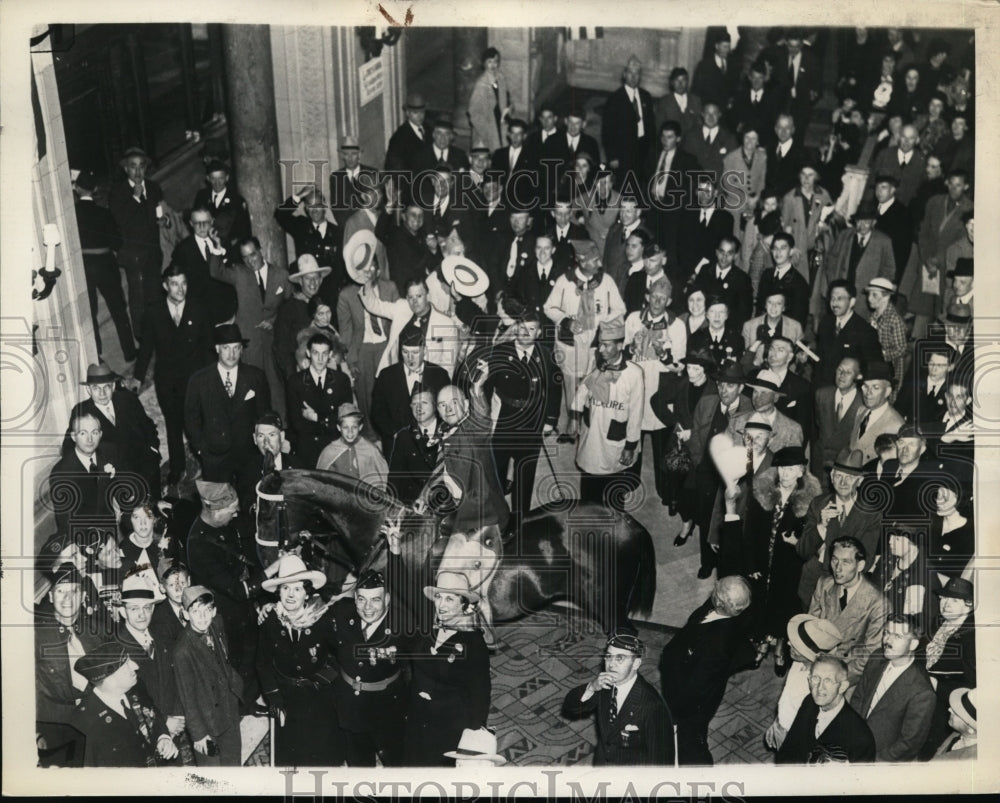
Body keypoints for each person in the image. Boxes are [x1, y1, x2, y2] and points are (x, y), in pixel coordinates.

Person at [256, 554, 345, 766]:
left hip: (318, 699)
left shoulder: (322, 618)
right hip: (285, 698)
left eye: (297, 589)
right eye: (285, 588)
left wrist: (324, 683)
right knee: (291, 759)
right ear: (278, 592)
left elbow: (340, 656)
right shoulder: (270, 620)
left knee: (322, 757)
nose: (290, 595)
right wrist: (274, 697)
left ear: (307, 594)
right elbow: (262, 662)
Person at [186, 480, 267, 706]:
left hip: (243, 608)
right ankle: (241, 707)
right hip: (225, 615)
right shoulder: (199, 544)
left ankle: (251, 697)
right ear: (215, 511)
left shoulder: (222, 525)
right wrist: (271, 572)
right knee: (236, 663)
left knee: (251, 655)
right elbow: (236, 590)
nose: (236, 514)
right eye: (232, 510)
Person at [132, 263, 214, 486]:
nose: (180, 289)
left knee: (198, 423)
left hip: (195, 379)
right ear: (165, 285)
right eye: (175, 284)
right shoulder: (154, 312)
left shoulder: (199, 308)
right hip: (167, 381)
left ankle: (207, 463)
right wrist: (138, 377)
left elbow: (208, 347)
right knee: (173, 424)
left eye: (184, 283)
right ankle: (177, 468)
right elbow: (146, 348)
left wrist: (213, 377)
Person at [659, 575, 754, 765]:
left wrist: (677, 711)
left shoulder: (717, 646)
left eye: (717, 591)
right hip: (687, 688)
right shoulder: (720, 607)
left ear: (727, 605)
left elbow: (694, 688)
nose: (713, 593)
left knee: (691, 745)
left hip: (690, 707)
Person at [744, 445, 822, 675]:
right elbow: (750, 531)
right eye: (782, 469)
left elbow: (812, 538)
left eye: (791, 469)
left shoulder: (811, 501)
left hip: (789, 564)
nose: (785, 474)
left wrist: (796, 541)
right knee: (761, 602)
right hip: (762, 558)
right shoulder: (763, 491)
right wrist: (751, 563)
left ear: (801, 471)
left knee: (784, 605)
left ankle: (780, 649)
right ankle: (761, 645)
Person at [403, 572, 491, 766]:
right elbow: (404, 586)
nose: (441, 605)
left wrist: (473, 737)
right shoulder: (428, 627)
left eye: (449, 599)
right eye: (438, 597)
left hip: (448, 725)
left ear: (464, 605)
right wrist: (395, 550)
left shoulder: (473, 644)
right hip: (417, 716)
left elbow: (481, 693)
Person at [481, 311, 562, 519]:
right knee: (497, 467)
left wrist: (550, 421)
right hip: (504, 417)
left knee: (525, 471)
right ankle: (497, 515)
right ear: (516, 328)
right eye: (522, 327)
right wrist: (485, 416)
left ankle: (521, 518)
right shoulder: (499, 352)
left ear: (539, 332)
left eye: (531, 329)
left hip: (532, 419)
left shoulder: (545, 355)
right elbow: (487, 386)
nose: (526, 333)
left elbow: (554, 388)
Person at [544, 239, 626, 442]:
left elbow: (620, 309)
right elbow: (549, 307)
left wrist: (602, 321)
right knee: (571, 384)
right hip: (571, 343)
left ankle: (591, 427)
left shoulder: (606, 281)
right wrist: (565, 321)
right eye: (594, 261)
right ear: (581, 261)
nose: (599, 265)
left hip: (595, 344)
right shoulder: (565, 281)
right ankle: (572, 424)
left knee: (592, 383)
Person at [183, 323, 271, 499]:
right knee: (219, 509)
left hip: (248, 456)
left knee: (251, 502)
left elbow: (264, 415)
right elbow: (191, 418)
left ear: (241, 350)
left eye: (236, 348)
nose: (232, 354)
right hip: (214, 458)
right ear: (217, 349)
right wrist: (201, 449)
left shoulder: (256, 377)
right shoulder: (199, 380)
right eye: (226, 348)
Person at [331, 569, 408, 766]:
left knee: (397, 763)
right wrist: (274, 607)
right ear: (354, 598)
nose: (367, 608)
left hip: (388, 706)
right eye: (362, 599)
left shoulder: (403, 624)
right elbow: (311, 613)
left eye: (375, 599)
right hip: (351, 707)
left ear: (387, 599)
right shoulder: (341, 612)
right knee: (359, 765)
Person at [562, 630, 674, 766]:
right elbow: (571, 707)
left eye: (620, 658)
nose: (611, 664)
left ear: (636, 664)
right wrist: (591, 687)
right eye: (609, 657)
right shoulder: (604, 685)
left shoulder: (652, 706)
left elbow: (662, 761)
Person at [35, 564, 108, 767]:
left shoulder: (97, 631)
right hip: (56, 726)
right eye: (60, 591)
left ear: (83, 596)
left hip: (97, 718)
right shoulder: (37, 636)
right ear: (50, 596)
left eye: (74, 590)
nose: (67, 598)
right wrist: (34, 732)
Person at [210, 237, 292, 416]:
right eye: (245, 257)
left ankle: (282, 426)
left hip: (273, 342)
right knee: (251, 388)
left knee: (276, 387)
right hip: (249, 343)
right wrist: (217, 249)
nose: (250, 260)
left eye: (253, 254)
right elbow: (216, 272)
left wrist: (274, 319)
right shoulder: (239, 273)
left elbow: (289, 308)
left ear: (261, 250)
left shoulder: (281, 275)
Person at [573, 317, 645, 511]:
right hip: (592, 435)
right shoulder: (595, 362)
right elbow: (582, 391)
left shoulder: (634, 374)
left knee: (614, 496)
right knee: (589, 495)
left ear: (621, 345)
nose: (601, 350)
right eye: (600, 345)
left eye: (607, 346)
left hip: (615, 438)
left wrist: (631, 446)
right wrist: (575, 417)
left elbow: (636, 414)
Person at [796, 450, 883, 607]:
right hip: (812, 582)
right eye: (839, 476)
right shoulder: (818, 504)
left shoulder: (871, 513)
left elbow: (866, 560)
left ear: (860, 481)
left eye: (849, 478)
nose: (843, 482)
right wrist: (821, 527)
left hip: (846, 585)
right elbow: (803, 551)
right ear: (831, 477)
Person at [71, 642, 179, 767]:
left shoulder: (136, 687)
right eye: (126, 665)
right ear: (109, 680)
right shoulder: (82, 723)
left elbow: (152, 712)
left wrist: (163, 737)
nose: (136, 666)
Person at [171, 586, 244, 766]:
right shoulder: (182, 651)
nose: (203, 617)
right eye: (196, 611)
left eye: (207, 610)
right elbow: (187, 698)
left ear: (214, 611)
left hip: (228, 708)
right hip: (207, 721)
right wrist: (199, 734)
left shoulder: (217, 623)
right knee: (212, 772)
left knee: (233, 763)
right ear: (186, 614)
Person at [68, 361, 161, 501]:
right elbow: (69, 447)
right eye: (96, 388)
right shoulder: (81, 412)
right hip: (116, 482)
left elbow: (148, 426)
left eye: (106, 386)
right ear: (88, 390)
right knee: (131, 520)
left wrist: (153, 449)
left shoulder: (128, 399)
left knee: (154, 513)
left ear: (113, 386)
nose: (102, 393)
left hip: (146, 470)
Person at [849, 614, 935, 761]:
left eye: (897, 636)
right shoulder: (877, 659)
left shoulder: (922, 692)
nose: (887, 640)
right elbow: (858, 699)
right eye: (886, 633)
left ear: (913, 644)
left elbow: (909, 744)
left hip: (880, 758)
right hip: (854, 743)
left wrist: (873, 761)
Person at [72, 168, 137, 360]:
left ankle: (96, 354)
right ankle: (130, 352)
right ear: (95, 189)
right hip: (105, 264)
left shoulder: (72, 215)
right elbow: (117, 242)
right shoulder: (104, 213)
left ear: (76, 188)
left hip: (83, 266)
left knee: (90, 311)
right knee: (118, 309)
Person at [808, 536, 887, 685]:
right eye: (834, 560)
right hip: (816, 661)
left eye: (846, 562)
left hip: (846, 675)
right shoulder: (824, 584)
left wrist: (835, 680)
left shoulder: (878, 603)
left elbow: (868, 658)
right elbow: (811, 628)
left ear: (860, 565)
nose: (838, 568)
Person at [764, 614, 844, 752]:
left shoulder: (819, 688)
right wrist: (776, 725)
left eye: (797, 646)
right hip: (782, 726)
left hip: (795, 739)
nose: (789, 643)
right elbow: (787, 698)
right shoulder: (798, 662)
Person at [775, 655, 876, 764]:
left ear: (842, 687)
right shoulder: (809, 702)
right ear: (809, 680)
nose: (820, 687)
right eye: (815, 678)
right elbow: (790, 747)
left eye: (828, 681)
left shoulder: (861, 738)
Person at [107, 147, 164, 336]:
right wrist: (135, 198)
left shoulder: (154, 187)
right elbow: (121, 220)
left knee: (155, 294)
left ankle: (158, 332)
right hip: (133, 255)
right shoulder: (118, 192)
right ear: (126, 170)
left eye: (141, 166)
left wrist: (165, 220)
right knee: (138, 296)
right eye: (133, 167)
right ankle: (141, 335)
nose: (138, 172)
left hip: (153, 251)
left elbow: (157, 214)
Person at [49, 410, 126, 545]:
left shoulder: (108, 453)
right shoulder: (61, 473)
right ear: (73, 436)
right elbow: (67, 524)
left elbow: (122, 488)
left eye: (94, 433)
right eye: (83, 433)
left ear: (100, 434)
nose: (90, 439)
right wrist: (103, 544)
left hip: (116, 525)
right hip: (86, 540)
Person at [920, 577, 977, 759]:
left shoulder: (972, 635)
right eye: (943, 598)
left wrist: (939, 687)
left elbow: (973, 684)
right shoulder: (938, 622)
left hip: (946, 703)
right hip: (922, 685)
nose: (946, 604)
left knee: (929, 749)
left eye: (954, 600)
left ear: (969, 605)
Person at [370, 330, 450, 457]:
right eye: (405, 352)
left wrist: (433, 434)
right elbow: (377, 412)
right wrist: (395, 433)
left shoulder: (440, 375)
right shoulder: (386, 376)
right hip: (396, 444)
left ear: (424, 350)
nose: (410, 359)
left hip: (430, 444)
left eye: (415, 353)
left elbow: (446, 411)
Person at [816, 203, 896, 322]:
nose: (862, 225)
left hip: (865, 297)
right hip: (843, 291)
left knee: (859, 327)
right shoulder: (845, 235)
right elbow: (831, 259)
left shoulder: (883, 241)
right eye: (859, 221)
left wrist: (877, 291)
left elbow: (889, 269)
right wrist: (834, 282)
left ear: (874, 222)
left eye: (866, 222)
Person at [285, 332, 354, 469]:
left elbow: (346, 420)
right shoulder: (295, 381)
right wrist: (329, 421)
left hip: (334, 445)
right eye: (316, 353)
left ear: (330, 355)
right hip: (306, 447)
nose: (320, 359)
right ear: (308, 353)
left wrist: (317, 418)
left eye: (324, 353)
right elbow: (296, 422)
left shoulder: (341, 380)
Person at [273, 185, 344, 308]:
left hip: (330, 298)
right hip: (305, 296)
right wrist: (298, 196)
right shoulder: (301, 226)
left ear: (324, 205)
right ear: (305, 208)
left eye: (317, 205)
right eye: (310, 206)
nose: (314, 210)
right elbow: (279, 214)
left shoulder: (338, 232)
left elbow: (341, 267)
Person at [813, 281, 885, 389]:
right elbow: (821, 357)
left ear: (852, 302)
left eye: (840, 298)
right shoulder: (825, 322)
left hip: (847, 390)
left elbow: (872, 368)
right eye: (832, 298)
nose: (834, 303)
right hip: (821, 387)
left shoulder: (866, 331)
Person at [273, 254, 333, 380]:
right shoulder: (289, 308)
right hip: (301, 373)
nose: (312, 283)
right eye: (307, 278)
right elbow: (281, 347)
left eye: (316, 278)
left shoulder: (326, 303)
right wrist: (293, 377)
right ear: (300, 281)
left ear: (321, 280)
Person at [602, 56, 656, 185]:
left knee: (641, 183)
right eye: (630, 73)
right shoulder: (615, 99)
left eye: (637, 73)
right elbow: (607, 131)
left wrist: (652, 150)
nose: (633, 77)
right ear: (624, 75)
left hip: (642, 147)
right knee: (624, 185)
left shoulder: (645, 96)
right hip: (623, 150)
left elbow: (651, 125)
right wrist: (612, 156)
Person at [811, 358, 864, 485]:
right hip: (819, 463)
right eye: (840, 370)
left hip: (845, 469)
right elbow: (819, 425)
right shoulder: (822, 394)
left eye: (848, 372)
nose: (842, 375)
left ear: (858, 377)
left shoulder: (863, 403)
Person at [388, 388, 442, 505]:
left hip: (441, 500)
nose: (418, 408)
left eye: (423, 403)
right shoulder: (404, 437)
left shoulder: (446, 432)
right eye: (414, 404)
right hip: (413, 503)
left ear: (435, 405)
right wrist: (393, 507)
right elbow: (395, 478)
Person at [192, 160, 253, 263]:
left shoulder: (236, 200)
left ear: (227, 178)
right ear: (208, 179)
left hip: (230, 252)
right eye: (213, 179)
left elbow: (244, 232)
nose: (217, 183)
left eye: (221, 178)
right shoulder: (202, 196)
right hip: (207, 249)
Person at [316, 403, 389, 488]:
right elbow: (321, 483)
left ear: (360, 427)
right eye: (345, 427)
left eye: (354, 427)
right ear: (339, 428)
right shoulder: (329, 451)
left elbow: (382, 481)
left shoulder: (371, 451)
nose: (350, 432)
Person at [848, 361, 904, 462]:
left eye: (876, 387)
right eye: (865, 386)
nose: (868, 393)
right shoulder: (861, 411)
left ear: (887, 391)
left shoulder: (896, 425)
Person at [756, 232, 811, 328]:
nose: (778, 252)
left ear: (791, 251)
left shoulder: (799, 283)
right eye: (775, 248)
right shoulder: (766, 275)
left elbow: (799, 322)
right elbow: (760, 308)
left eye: (783, 248)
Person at [865, 278, 908, 389]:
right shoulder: (873, 316)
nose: (869, 298)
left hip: (890, 368)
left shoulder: (894, 320)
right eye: (869, 294)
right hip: (874, 364)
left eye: (874, 295)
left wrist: (882, 355)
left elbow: (901, 348)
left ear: (886, 297)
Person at [467, 47, 511, 153]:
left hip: (500, 120)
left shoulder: (501, 78)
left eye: (496, 62)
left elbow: (506, 98)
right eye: (489, 62)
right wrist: (485, 129)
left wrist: (507, 110)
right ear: (484, 63)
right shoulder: (481, 84)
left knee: (502, 148)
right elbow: (473, 112)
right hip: (488, 125)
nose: (493, 65)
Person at [385, 92, 429, 174]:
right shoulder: (399, 138)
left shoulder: (428, 128)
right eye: (415, 113)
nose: (420, 116)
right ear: (407, 113)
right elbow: (394, 169)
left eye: (422, 112)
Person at [934, 687, 977, 761]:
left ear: (970, 729)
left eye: (957, 713)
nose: (949, 709)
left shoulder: (968, 760)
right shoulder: (958, 734)